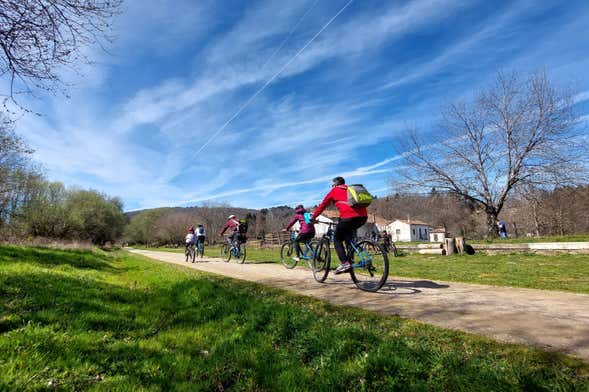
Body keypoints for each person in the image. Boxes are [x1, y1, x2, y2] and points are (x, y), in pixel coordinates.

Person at [311, 176, 368, 274]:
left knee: (337, 239)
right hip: (363, 217)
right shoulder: (350, 189)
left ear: (335, 184)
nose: (332, 187)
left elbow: (322, 206)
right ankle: (351, 260)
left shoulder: (334, 191)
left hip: (349, 218)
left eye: (332, 185)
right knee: (347, 237)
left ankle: (345, 263)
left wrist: (313, 218)